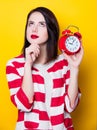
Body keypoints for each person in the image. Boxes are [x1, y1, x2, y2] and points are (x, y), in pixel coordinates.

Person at [6, 7, 84, 130]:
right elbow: (24, 104)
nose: (34, 29)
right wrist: (28, 65)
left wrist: (74, 68)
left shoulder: (63, 63)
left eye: (42, 24)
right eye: (31, 24)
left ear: (51, 30)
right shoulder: (14, 65)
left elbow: (70, 106)